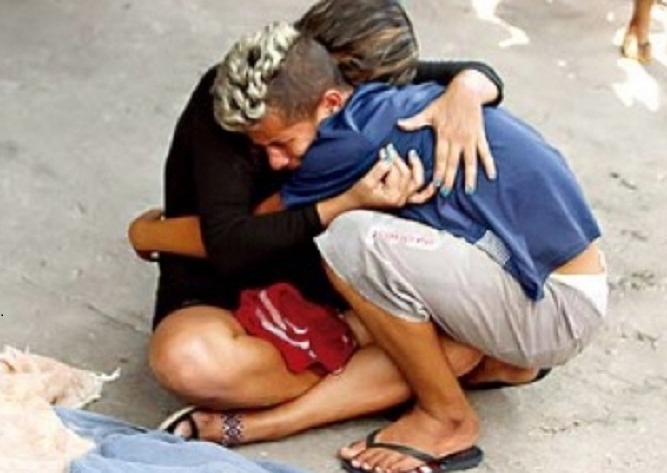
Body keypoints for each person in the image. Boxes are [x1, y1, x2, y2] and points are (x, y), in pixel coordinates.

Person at [208, 18, 608, 473]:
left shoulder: (341, 144)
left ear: (331, 102)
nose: (276, 162)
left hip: (556, 309)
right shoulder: (386, 103)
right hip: (567, 281)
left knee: (352, 242)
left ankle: (446, 418)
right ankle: (498, 363)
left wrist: (152, 231)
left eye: (281, 143)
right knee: (380, 255)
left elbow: (248, 234)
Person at [130, 0, 505, 446]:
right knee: (189, 360)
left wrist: (466, 94)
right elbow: (230, 240)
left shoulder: (361, 91)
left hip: (335, 289)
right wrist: (344, 202)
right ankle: (386, 370)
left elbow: (471, 73)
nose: (354, 119)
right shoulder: (248, 99)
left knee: (472, 336)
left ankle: (276, 418)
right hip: (230, 292)